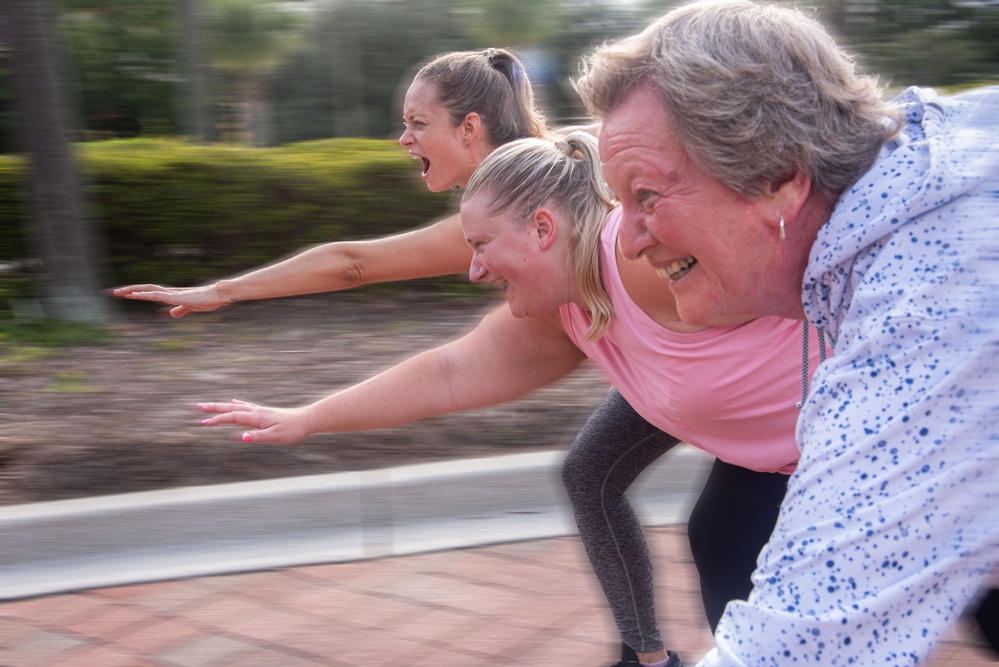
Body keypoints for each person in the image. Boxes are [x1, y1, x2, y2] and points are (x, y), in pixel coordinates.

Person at [111, 48, 813, 667]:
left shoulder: (619, 241)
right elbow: (451, 367)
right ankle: (648, 650)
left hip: (814, 431)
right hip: (718, 411)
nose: (402, 138)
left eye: (417, 123)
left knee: (687, 521)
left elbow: (353, 264)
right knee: (636, 494)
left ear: (470, 130)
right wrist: (304, 417)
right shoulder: (548, 282)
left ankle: (651, 649)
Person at [573, 1, 999, 665]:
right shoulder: (922, 163)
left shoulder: (921, 309)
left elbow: (794, 648)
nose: (626, 240)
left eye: (646, 196)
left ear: (777, 177)